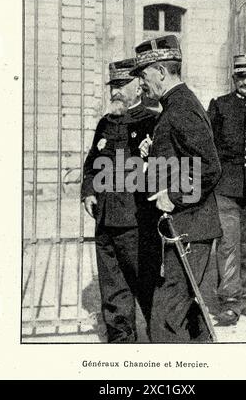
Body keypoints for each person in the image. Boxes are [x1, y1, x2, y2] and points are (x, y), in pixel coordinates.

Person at [130, 35, 222, 343]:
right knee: (188, 314)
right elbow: (184, 159)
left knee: (167, 318)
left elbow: (209, 168)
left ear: (159, 71)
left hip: (190, 228)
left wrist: (174, 195)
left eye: (143, 76)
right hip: (186, 227)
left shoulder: (181, 107)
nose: (141, 84)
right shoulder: (175, 104)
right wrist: (154, 152)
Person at [81, 58, 159, 342]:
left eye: (122, 84)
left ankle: (160, 342)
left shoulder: (152, 120)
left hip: (136, 221)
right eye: (113, 85)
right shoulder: (105, 122)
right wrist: (88, 191)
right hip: (105, 218)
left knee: (146, 286)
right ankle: (121, 341)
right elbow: (91, 164)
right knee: (113, 288)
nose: (116, 91)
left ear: (139, 85)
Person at [207, 54, 246, 326]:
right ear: (234, 79)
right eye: (241, 76)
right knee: (228, 246)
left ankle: (245, 299)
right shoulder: (220, 106)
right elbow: (208, 146)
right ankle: (228, 304)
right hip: (225, 190)